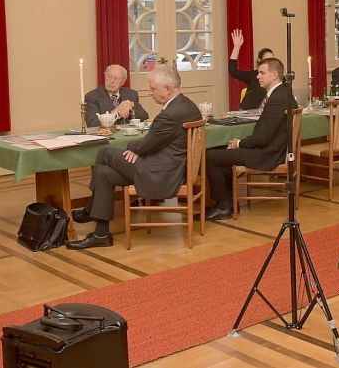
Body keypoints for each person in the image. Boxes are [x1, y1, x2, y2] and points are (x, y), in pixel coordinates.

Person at [68, 65, 202, 249]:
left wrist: (134, 148)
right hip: (168, 168)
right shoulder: (187, 105)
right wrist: (139, 149)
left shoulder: (169, 115)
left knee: (105, 152)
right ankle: (101, 233)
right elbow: (151, 142)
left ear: (168, 89)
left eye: (153, 89)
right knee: (103, 173)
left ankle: (92, 210)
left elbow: (147, 143)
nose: (150, 93)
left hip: (160, 174)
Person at [201, 58, 298, 220]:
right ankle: (230, 204)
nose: (258, 76)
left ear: (274, 75)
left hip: (267, 154)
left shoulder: (277, 99)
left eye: (261, 73)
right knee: (219, 153)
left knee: (209, 157)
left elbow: (263, 138)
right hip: (271, 149)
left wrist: (239, 143)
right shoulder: (284, 93)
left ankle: (223, 205)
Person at [84, 64, 149, 127]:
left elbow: (144, 116)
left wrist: (130, 111)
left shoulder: (131, 94)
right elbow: (92, 124)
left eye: (116, 78)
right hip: (107, 136)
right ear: (105, 76)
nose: (112, 81)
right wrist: (116, 111)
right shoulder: (92, 97)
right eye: (109, 76)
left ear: (123, 82)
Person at [229, 28, 274, 110]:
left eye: (272, 60)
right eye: (266, 60)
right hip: (247, 113)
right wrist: (236, 47)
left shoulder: (276, 76)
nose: (269, 63)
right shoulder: (253, 75)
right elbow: (233, 71)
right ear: (259, 61)